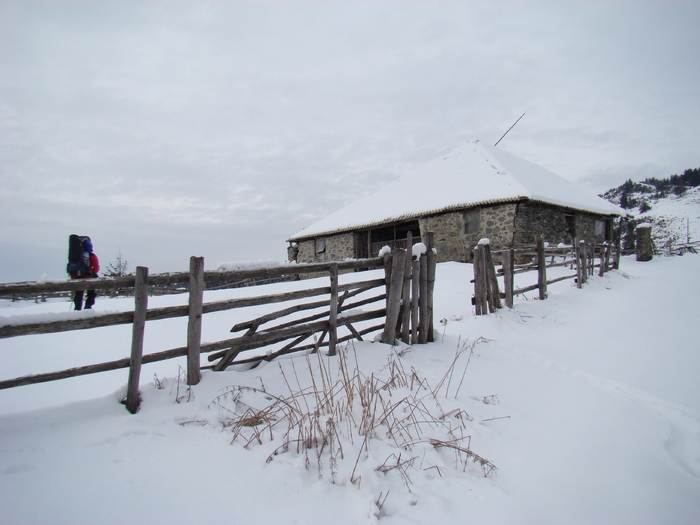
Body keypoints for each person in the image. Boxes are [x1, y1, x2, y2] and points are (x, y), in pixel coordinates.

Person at [68, 236, 99, 310]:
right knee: (91, 293)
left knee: (78, 294)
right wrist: (91, 273)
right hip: (88, 277)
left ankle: (77, 310)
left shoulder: (75, 256)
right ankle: (88, 308)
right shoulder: (91, 255)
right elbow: (96, 268)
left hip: (76, 277)